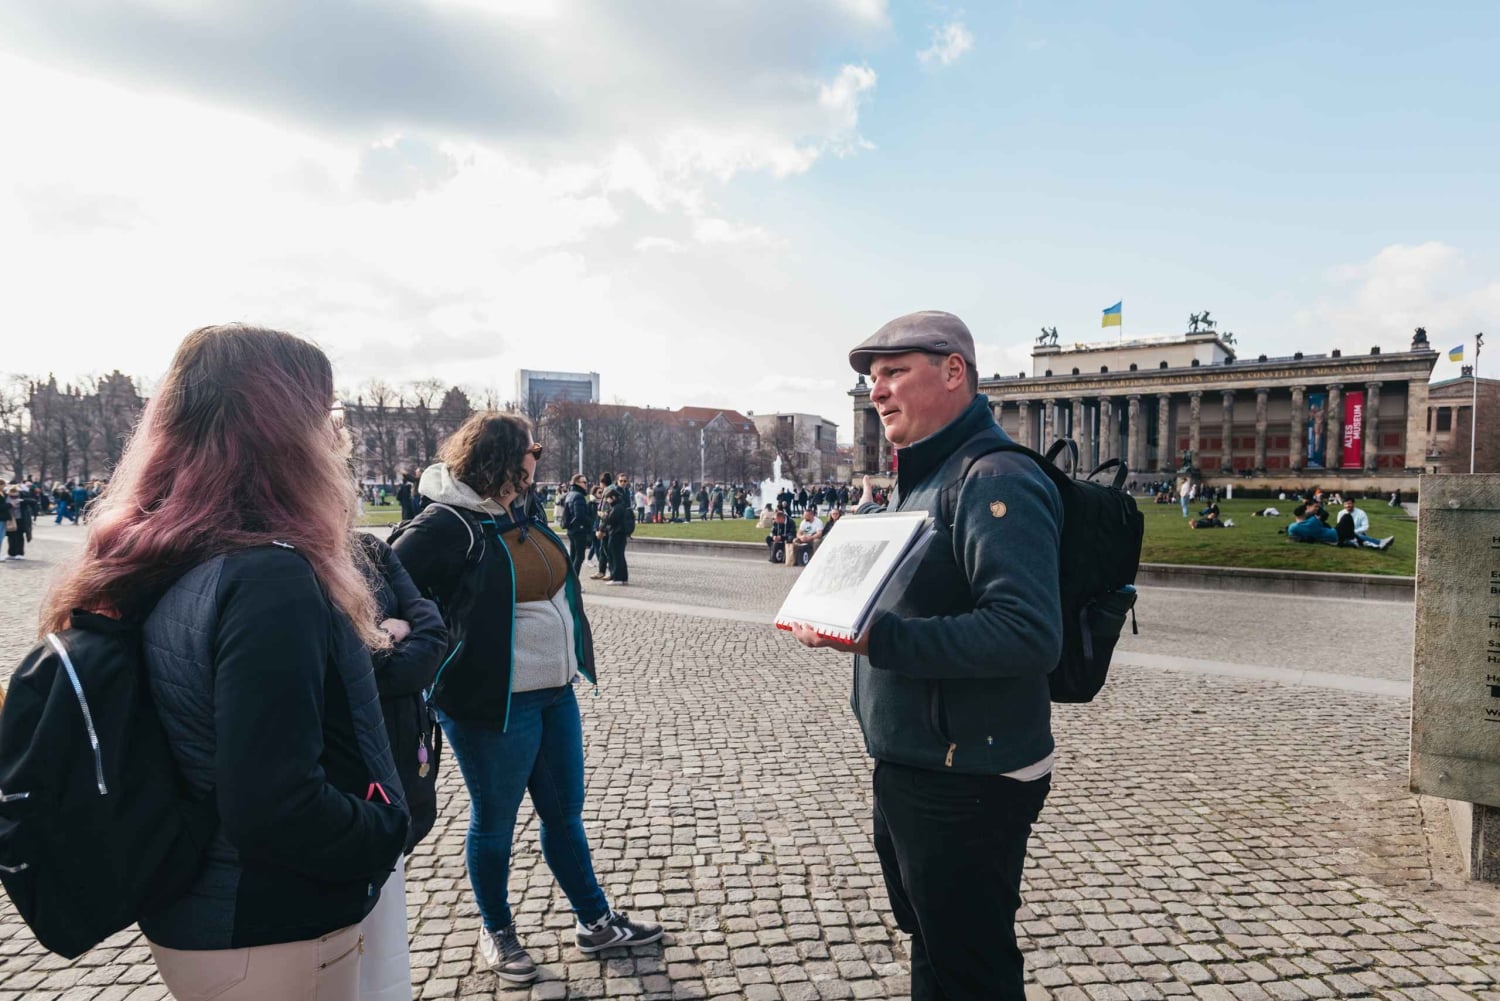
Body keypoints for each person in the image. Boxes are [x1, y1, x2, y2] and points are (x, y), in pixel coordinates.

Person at [40, 324, 408, 999]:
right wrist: (385, 826)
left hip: (208, 912)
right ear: (283, 430)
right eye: (325, 415)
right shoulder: (269, 575)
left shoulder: (177, 549)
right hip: (267, 924)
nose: (338, 437)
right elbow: (273, 803)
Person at [790, 310, 1061, 1000]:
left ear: (953, 372)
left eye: (894, 371)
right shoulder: (926, 479)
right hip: (922, 763)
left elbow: (1028, 631)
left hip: (969, 776)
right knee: (937, 953)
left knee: (972, 968)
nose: (876, 390)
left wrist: (876, 635)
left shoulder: (996, 477)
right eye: (872, 377)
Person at [390, 413, 660, 984]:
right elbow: (383, 581)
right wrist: (416, 640)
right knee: (495, 821)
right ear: (504, 455)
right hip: (491, 702)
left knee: (565, 815)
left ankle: (595, 920)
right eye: (533, 446)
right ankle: (497, 930)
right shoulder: (446, 522)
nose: (540, 455)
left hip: (554, 693)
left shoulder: (524, 509)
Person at [356, 533, 448, 1001]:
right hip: (346, 778)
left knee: (386, 949)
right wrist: (391, 633)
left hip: (397, 758)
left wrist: (372, 647)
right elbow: (340, 664)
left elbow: (432, 631)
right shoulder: (284, 563)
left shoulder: (370, 549)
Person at [560, 474, 595, 575]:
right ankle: (574, 583)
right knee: (579, 557)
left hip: (572, 529)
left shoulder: (571, 494)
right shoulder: (578, 496)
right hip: (579, 530)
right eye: (584, 482)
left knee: (573, 556)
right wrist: (590, 521)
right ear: (576, 483)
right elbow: (580, 515)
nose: (586, 485)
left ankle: (570, 581)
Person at [602, 485, 631, 585]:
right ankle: (623, 577)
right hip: (620, 534)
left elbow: (610, 520)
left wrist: (604, 516)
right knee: (620, 556)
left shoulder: (617, 508)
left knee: (615, 556)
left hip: (616, 534)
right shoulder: (620, 506)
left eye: (608, 498)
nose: (607, 501)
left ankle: (617, 578)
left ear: (613, 498)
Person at [5, 484, 33, 559]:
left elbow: (33, 501)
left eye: (15, 495)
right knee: (11, 536)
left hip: (21, 518)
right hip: (10, 519)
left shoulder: (23, 495)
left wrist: (22, 501)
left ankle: (20, 553)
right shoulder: (6, 496)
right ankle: (11, 553)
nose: (13, 497)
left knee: (19, 535)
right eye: (11, 495)